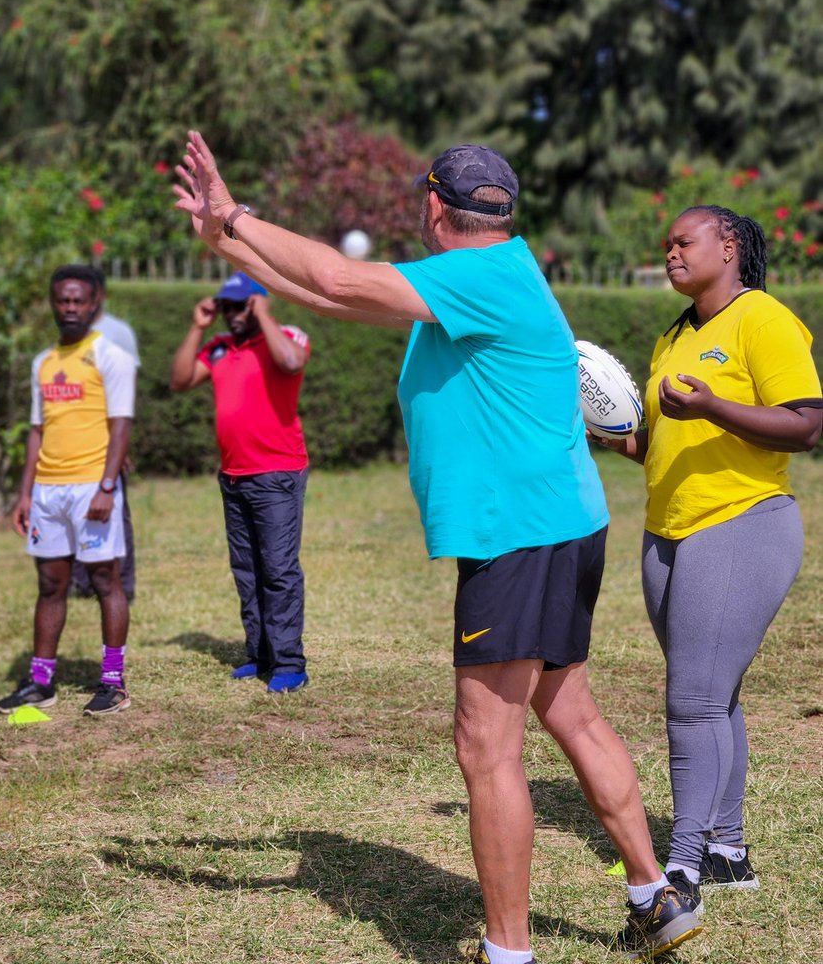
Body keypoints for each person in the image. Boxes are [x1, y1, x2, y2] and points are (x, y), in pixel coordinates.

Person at [172, 131, 703, 963]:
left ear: (431, 205)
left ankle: (508, 950)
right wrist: (226, 240)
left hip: (518, 536)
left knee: (484, 747)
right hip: (558, 523)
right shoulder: (486, 275)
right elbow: (335, 299)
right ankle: (653, 897)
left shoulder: (479, 277)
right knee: (569, 710)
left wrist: (236, 213)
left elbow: (337, 278)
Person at [593, 205, 822, 907]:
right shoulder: (673, 337)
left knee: (692, 701)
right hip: (668, 534)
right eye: (666, 244)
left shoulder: (763, 319)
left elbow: (806, 425)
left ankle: (683, 867)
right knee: (713, 695)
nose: (670, 253)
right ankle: (727, 850)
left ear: (728, 247)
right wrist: (609, 434)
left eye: (683, 242)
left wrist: (714, 407)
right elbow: (663, 443)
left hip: (741, 524)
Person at [0, 264, 137, 717]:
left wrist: (107, 487)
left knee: (104, 580)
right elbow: (36, 431)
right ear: (53, 303)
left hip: (92, 488)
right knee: (49, 583)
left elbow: (121, 427)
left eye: (79, 300)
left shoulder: (110, 356)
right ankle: (40, 682)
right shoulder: (43, 362)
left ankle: (113, 682)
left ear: (94, 303)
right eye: (63, 300)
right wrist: (25, 494)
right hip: (48, 492)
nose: (70, 307)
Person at [169, 271, 312, 694]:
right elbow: (179, 381)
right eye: (226, 307)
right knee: (247, 570)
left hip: (276, 475)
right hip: (233, 476)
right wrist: (198, 327)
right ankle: (260, 654)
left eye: (241, 306)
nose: (232, 314)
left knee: (278, 570)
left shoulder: (287, 337)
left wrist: (263, 314)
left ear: (257, 304)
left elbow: (291, 363)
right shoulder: (218, 348)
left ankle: (289, 663)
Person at [71, 264, 140, 602]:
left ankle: (123, 583)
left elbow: (126, 393)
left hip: (109, 439)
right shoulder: (71, 334)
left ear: (99, 295)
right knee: (76, 510)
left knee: (115, 510)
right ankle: (82, 582)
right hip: (77, 440)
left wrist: (121, 442)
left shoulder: (118, 332)